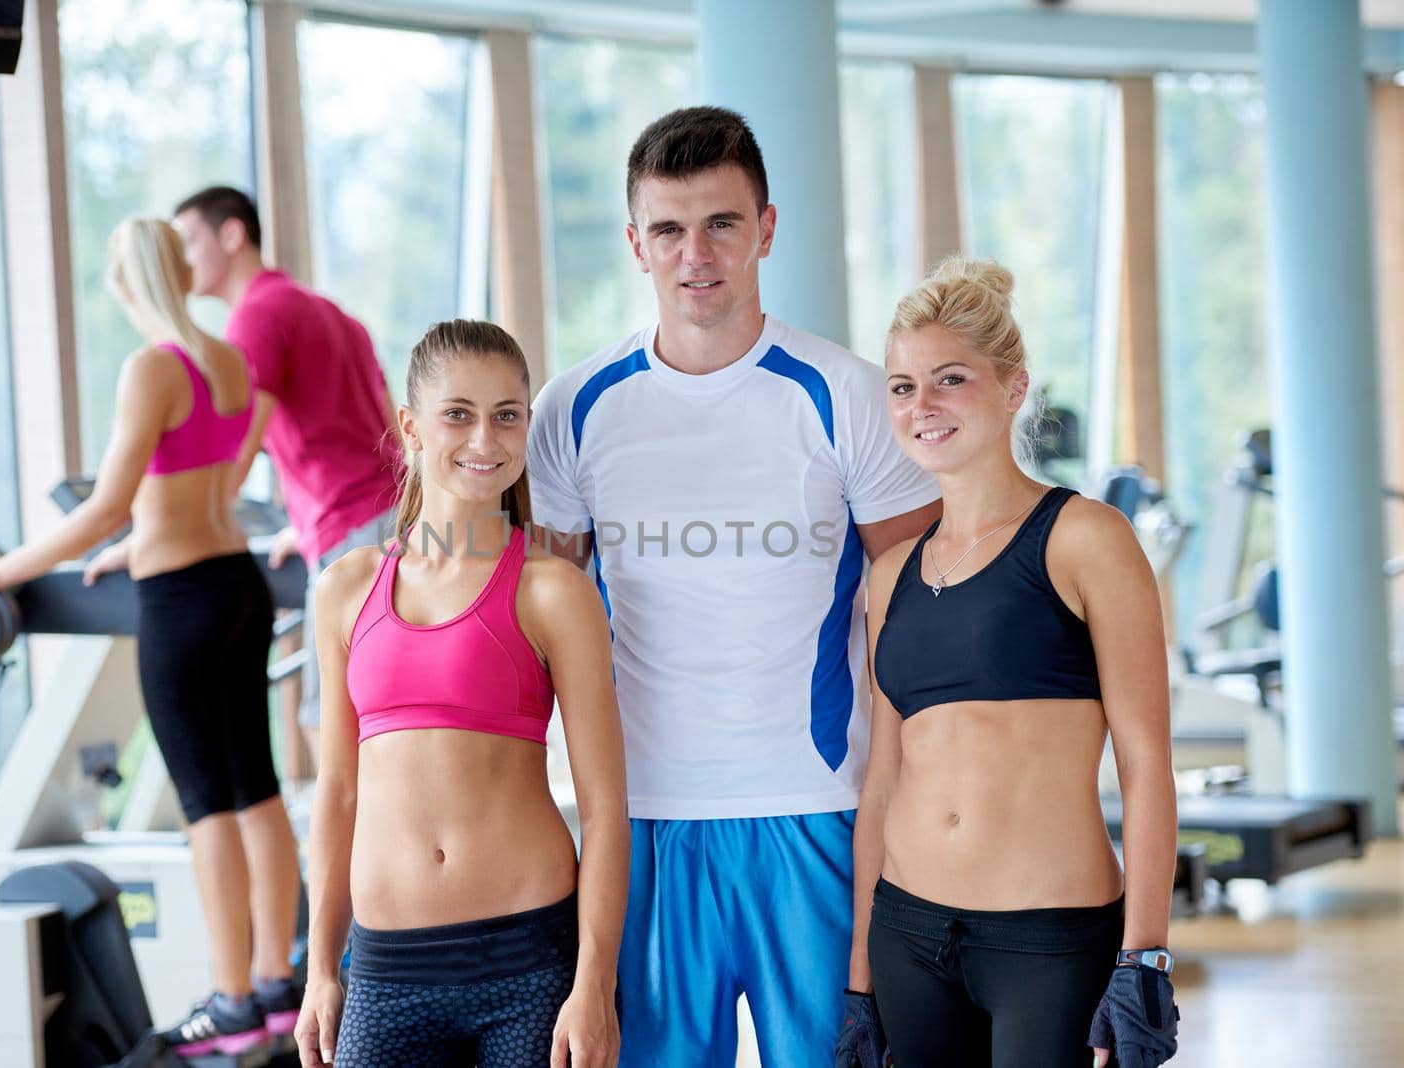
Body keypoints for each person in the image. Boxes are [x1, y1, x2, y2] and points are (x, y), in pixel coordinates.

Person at [524, 106, 943, 1067]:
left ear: (766, 228)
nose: (695, 253)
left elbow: (920, 625)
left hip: (816, 811)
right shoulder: (574, 409)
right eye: (668, 229)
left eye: (720, 223)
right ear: (636, 243)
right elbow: (540, 626)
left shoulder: (844, 395)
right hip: (642, 825)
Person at [0, 218, 304, 1057]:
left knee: (206, 803)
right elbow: (196, 483)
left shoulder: (152, 367)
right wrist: (134, 542)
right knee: (256, 788)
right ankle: (277, 982)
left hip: (181, 603)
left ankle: (232, 997)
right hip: (238, 583)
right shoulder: (226, 358)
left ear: (123, 283)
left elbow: (106, 504)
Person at [846, 256, 1180, 1068]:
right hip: (909, 934)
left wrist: (1145, 957)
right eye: (901, 386)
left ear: (1012, 387)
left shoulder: (1084, 538)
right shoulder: (890, 575)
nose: (921, 406)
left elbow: (1145, 763)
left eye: (949, 379)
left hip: (1048, 942)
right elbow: (883, 782)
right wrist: (861, 981)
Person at [294, 319, 629, 1068]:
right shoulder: (345, 590)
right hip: (386, 971)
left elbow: (606, 806)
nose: (486, 437)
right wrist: (320, 970)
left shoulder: (555, 593)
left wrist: (594, 983)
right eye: (459, 413)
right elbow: (338, 794)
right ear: (411, 426)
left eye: (507, 414)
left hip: (528, 962)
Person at [173, 186, 402, 758]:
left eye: (189, 241)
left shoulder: (256, 316)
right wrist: (302, 526)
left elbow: (236, 450)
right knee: (377, 715)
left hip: (352, 531)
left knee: (329, 724)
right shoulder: (327, 311)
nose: (181, 260)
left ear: (232, 235)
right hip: (391, 517)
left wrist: (164, 530)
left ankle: (356, 852)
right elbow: (380, 432)